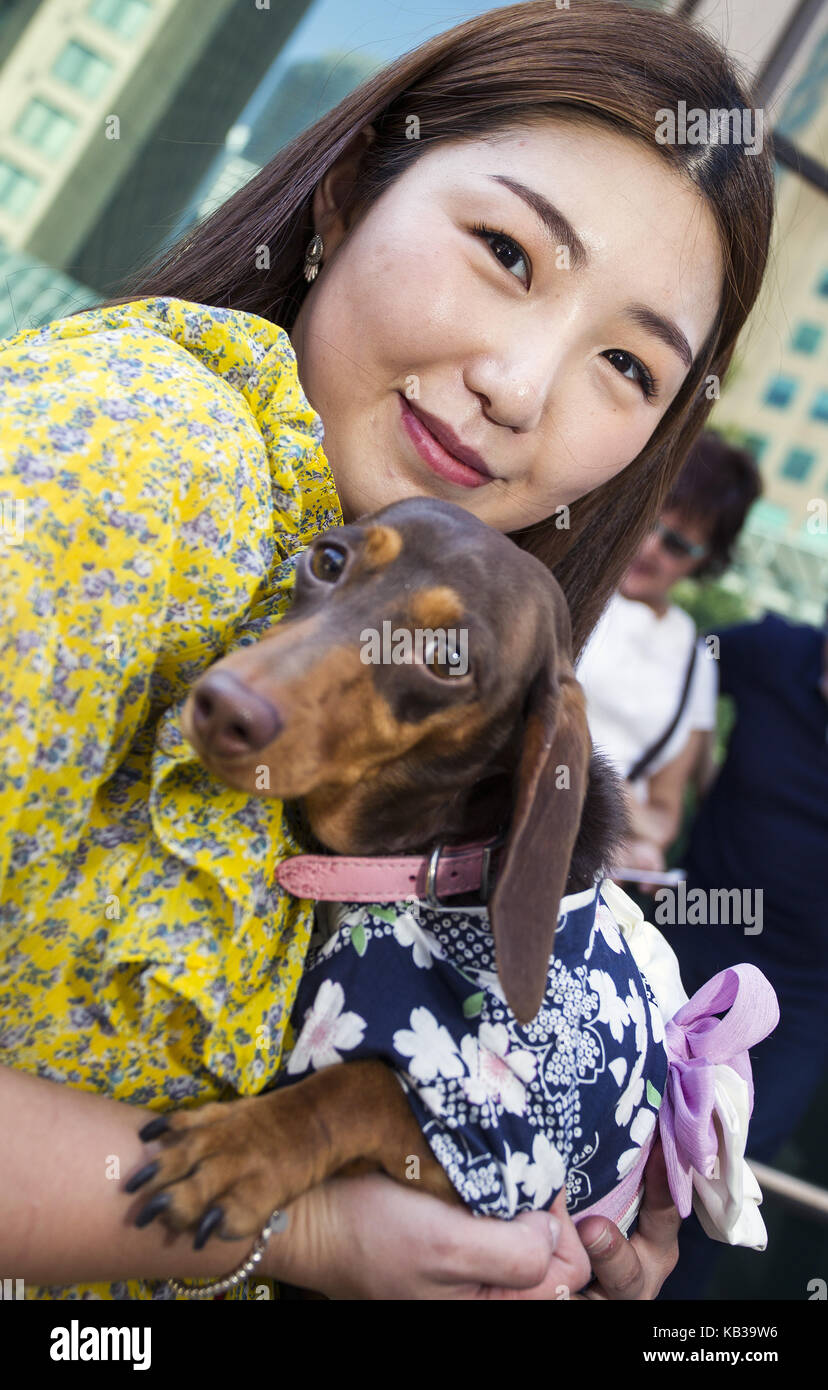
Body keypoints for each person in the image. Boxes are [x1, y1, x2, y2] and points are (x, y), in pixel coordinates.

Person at [0, 0, 774, 1300]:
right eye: (507, 251)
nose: (521, 386)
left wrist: (546, 1201)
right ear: (350, 193)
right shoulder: (136, 458)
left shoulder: (404, 629)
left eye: (630, 368)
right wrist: (299, 1235)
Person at [658, 612, 828, 1299]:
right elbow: (679, 671)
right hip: (695, 934)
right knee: (627, 1123)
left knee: (724, 1176)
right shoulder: (773, 650)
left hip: (803, 992)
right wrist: (680, 777)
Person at [576, 433, 761, 881]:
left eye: (676, 544)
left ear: (707, 560)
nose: (649, 548)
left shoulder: (695, 661)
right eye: (644, 520)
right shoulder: (564, 582)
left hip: (582, 871)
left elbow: (664, 814)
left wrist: (639, 849)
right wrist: (622, 804)